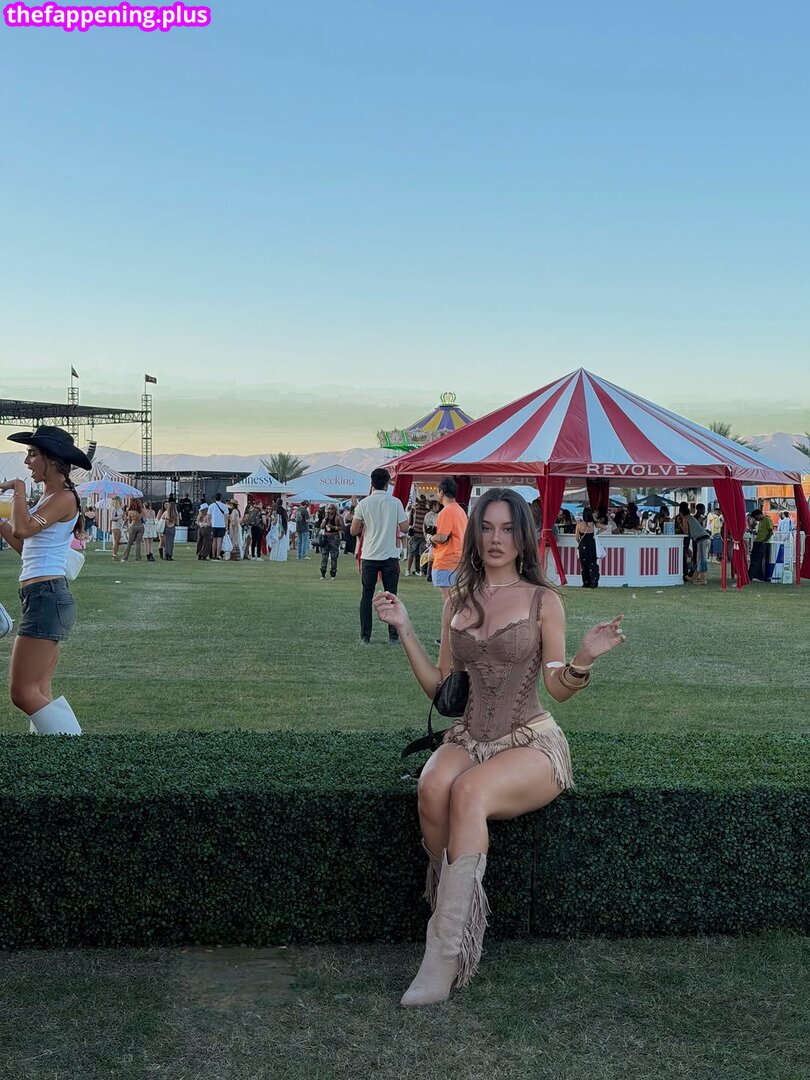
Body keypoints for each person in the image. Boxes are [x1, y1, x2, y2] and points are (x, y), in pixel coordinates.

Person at [372, 487, 625, 1006]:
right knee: (432, 786)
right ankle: (454, 915)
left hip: (531, 741)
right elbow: (444, 692)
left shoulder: (543, 600)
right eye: (487, 527)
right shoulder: (458, 599)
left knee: (468, 793)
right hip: (469, 734)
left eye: (508, 529)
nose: (496, 539)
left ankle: (443, 955)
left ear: (522, 537)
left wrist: (583, 659)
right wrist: (405, 629)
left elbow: (556, 686)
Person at [0, 425, 93, 734]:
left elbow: (24, 528)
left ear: (51, 459)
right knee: (38, 690)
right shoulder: (51, 497)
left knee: (22, 693)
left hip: (46, 596)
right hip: (42, 596)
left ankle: (73, 748)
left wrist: (18, 490)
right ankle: (56, 752)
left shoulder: (64, 498)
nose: (27, 462)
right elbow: (26, 546)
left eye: (32, 454)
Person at [350, 467, 409, 646]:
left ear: (372, 483)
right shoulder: (395, 502)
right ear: (387, 483)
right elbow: (405, 528)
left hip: (369, 555)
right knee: (391, 596)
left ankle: (365, 636)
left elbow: (353, 530)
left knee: (366, 596)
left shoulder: (364, 503)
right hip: (389, 555)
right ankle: (393, 636)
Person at [430, 477, 468, 604]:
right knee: (456, 600)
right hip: (459, 561)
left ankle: (451, 619)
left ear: (441, 492)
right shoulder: (460, 510)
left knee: (449, 602)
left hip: (447, 562)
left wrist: (431, 538)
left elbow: (441, 537)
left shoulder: (446, 511)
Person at [575, 506, 600, 588]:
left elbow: (576, 537)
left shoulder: (579, 524)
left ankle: (586, 582)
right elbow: (605, 527)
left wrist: (581, 542)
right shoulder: (593, 524)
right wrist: (597, 533)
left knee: (584, 564)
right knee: (592, 563)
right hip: (591, 544)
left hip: (583, 544)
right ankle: (594, 580)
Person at [406, 494, 429, 576]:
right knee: (422, 554)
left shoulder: (414, 510)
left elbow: (410, 522)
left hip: (415, 533)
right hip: (423, 535)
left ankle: (408, 570)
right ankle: (421, 571)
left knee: (411, 553)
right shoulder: (428, 511)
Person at [748, 509, 773, 581]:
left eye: (756, 517)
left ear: (759, 515)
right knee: (754, 558)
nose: (756, 519)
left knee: (757, 560)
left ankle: (751, 576)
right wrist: (754, 533)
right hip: (757, 541)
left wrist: (764, 541)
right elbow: (762, 532)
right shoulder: (760, 522)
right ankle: (757, 576)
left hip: (762, 542)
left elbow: (770, 532)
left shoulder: (767, 520)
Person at [319, 502, 343, 579]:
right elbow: (321, 526)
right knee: (324, 555)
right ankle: (323, 573)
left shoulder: (338, 517)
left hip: (334, 537)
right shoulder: (326, 517)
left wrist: (334, 527)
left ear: (335, 509)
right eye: (328, 508)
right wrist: (325, 518)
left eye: (332, 508)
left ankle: (333, 573)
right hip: (326, 537)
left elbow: (343, 527)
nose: (330, 510)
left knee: (334, 556)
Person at [208, 492, 229, 560]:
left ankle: (213, 555)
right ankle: (218, 555)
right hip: (222, 525)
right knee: (219, 541)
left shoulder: (211, 506)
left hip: (214, 525)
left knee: (214, 540)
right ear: (221, 498)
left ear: (215, 498)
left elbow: (209, 516)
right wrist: (226, 526)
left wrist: (210, 524)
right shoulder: (224, 506)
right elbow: (226, 517)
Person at [109, 495, 124, 560]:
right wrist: (120, 517)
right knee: (116, 541)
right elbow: (111, 518)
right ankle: (114, 555)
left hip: (119, 525)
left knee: (117, 541)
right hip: (115, 526)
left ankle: (115, 554)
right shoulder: (114, 508)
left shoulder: (119, 508)